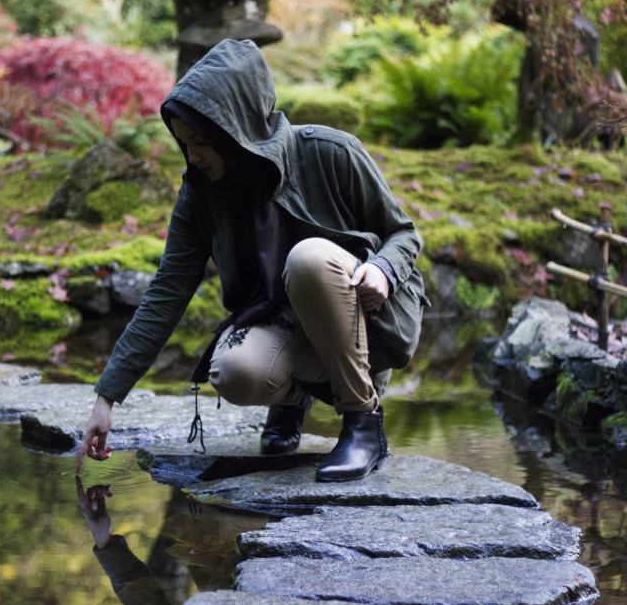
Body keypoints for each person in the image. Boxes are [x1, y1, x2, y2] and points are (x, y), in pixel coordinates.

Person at [76, 39, 427, 482]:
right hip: (287, 323)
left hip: (367, 322)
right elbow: (166, 293)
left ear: (234, 128)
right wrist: (107, 398)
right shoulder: (200, 193)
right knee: (235, 372)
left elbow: (404, 233)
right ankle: (289, 401)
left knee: (308, 258)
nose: (194, 156)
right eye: (185, 145)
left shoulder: (330, 153)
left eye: (202, 142)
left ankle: (362, 425)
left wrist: (384, 268)